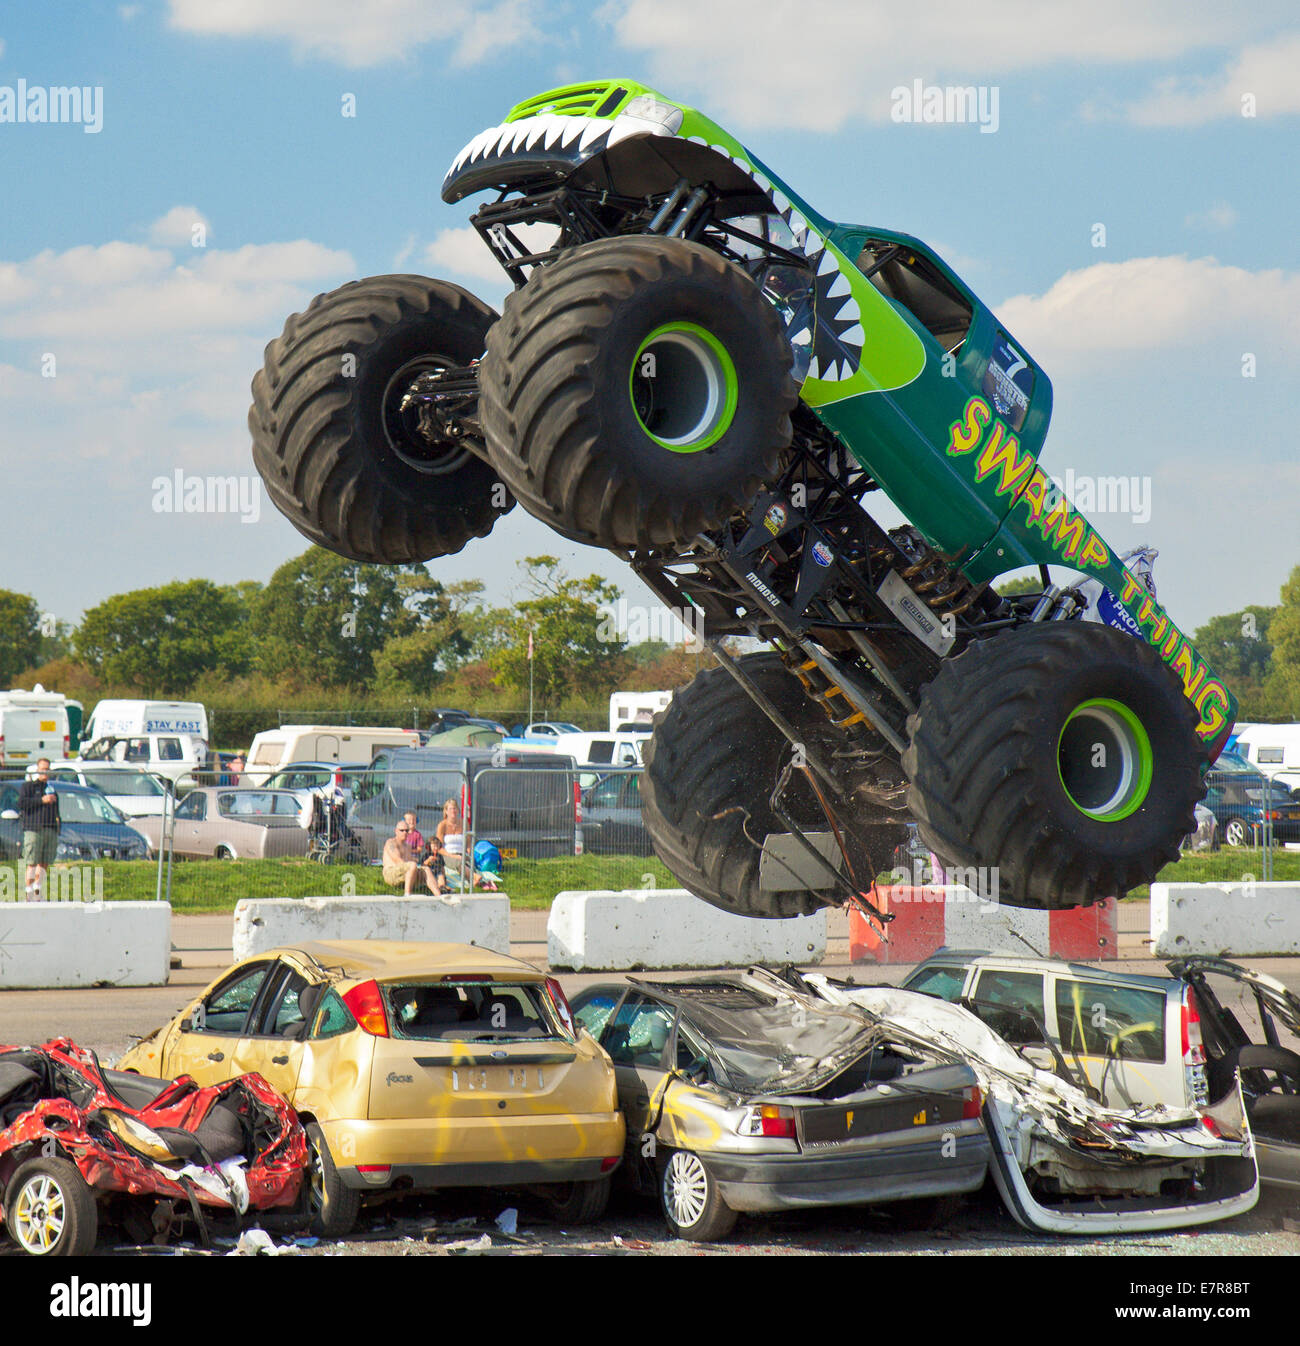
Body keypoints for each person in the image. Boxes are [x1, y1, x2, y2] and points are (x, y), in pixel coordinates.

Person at [19, 759, 60, 903]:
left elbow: (57, 810)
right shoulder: (28, 787)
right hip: (34, 829)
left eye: (48, 769)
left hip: (50, 829)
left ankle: (38, 890)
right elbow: (22, 803)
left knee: (44, 862)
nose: (45, 772)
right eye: (43, 769)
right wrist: (41, 800)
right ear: (37, 770)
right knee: (32, 861)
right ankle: (28, 891)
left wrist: (57, 827)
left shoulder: (51, 788)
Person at [382, 818, 441, 896]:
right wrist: (413, 866)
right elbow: (398, 860)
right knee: (412, 865)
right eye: (402, 830)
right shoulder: (391, 843)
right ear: (396, 831)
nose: (405, 833)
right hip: (391, 873)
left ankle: (439, 896)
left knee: (426, 870)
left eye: (407, 830)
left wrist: (425, 863)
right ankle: (407, 894)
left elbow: (410, 863)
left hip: (404, 873)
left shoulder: (408, 846)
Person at [436, 797, 465, 875]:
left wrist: (468, 853)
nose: (453, 811)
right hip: (447, 855)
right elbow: (439, 848)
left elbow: (468, 843)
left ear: (458, 810)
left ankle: (475, 878)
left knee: (466, 863)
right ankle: (475, 878)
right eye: (450, 809)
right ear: (446, 811)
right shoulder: (442, 825)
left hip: (462, 854)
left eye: (455, 808)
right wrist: (452, 856)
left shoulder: (464, 824)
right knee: (459, 863)